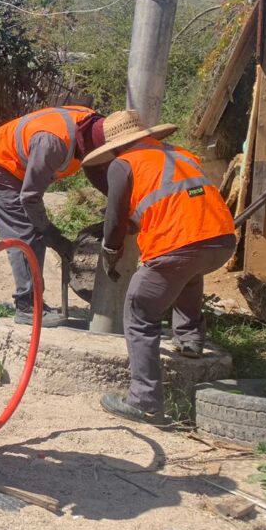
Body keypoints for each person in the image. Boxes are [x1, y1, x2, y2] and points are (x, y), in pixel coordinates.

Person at [80, 110, 236, 425]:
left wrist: (111, 250)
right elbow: (174, 201)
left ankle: (144, 401)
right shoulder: (180, 155)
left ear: (116, 145)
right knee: (187, 274)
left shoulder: (123, 165)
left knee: (139, 314)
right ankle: (190, 339)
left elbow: (115, 217)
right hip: (221, 240)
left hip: (177, 247)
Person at [0, 104, 106, 327]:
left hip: (20, 168)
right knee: (27, 234)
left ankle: (32, 299)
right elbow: (30, 197)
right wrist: (50, 233)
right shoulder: (52, 143)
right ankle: (27, 306)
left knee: (34, 230)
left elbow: (96, 168)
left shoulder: (93, 127)